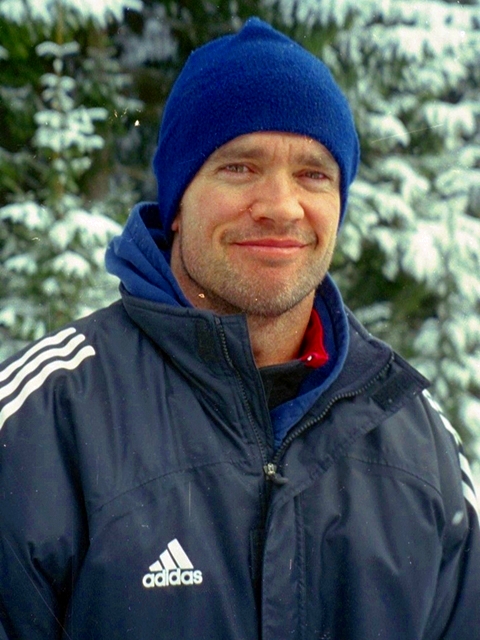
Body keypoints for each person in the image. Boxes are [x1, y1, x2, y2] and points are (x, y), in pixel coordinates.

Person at [0, 17, 478, 640]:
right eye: (240, 167)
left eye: (314, 174)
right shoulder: (44, 426)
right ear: (178, 202)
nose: (280, 206)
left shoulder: (415, 438)